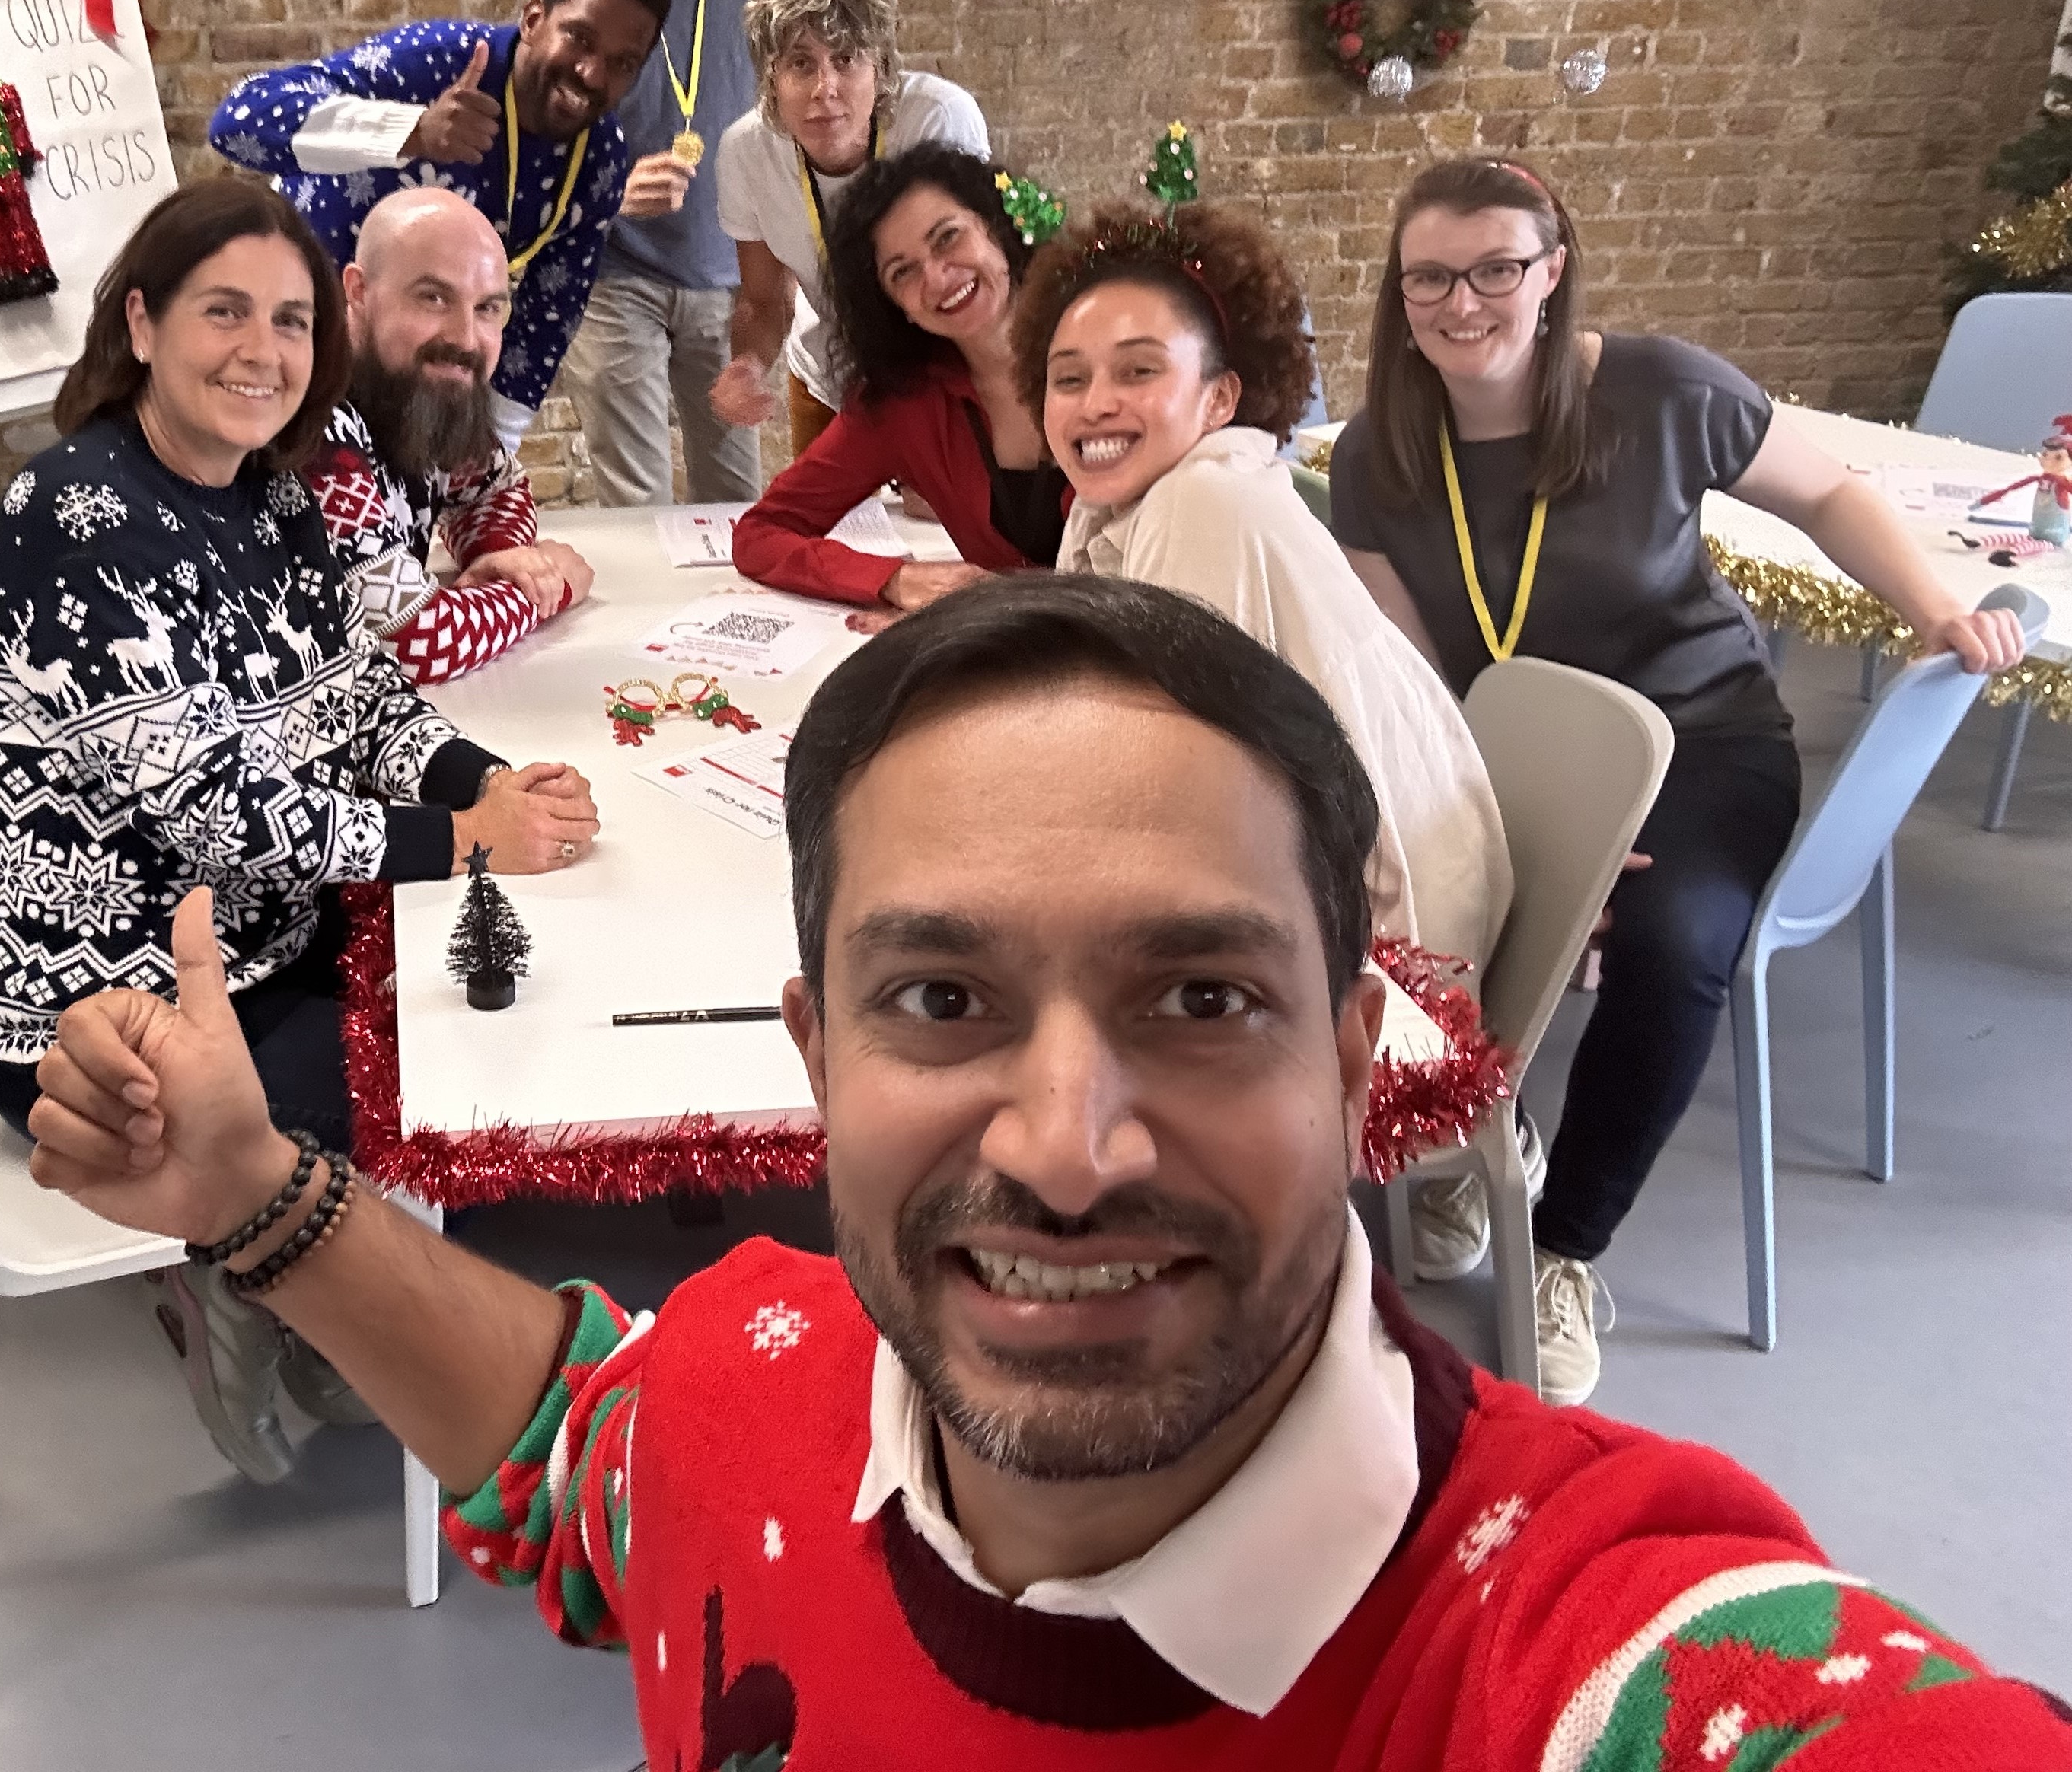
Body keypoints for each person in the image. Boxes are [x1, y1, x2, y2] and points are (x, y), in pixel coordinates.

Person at [22, 575, 2070, 1770]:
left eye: (1196, 997)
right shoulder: (753, 1378)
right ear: (810, 1059)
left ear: (1355, 1056)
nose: (1063, 1150)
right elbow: (573, 1459)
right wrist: (253, 1199)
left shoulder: (1588, 1666)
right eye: (939, 1003)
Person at [1328, 155, 2029, 1403]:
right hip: (1511, 755)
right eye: (1429, 275)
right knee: (1386, 894)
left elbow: (1825, 489)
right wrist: (1530, 842)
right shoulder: (1380, 447)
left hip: (1701, 741)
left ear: (1550, 272)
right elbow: (1411, 682)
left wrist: (1933, 604)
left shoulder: (1657, 390)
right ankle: (1463, 1143)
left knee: (1671, 939)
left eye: (1497, 266)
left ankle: (1564, 1246)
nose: (1461, 299)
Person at [0, 177, 601, 1484]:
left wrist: (490, 778)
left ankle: (295, 1281)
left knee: (478, 1013)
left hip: (254, 950)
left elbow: (360, 696)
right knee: (451, 1081)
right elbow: (222, 815)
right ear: (141, 321)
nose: (263, 350)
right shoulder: (74, 526)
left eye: (291, 320)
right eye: (224, 312)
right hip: (95, 1017)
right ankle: (247, 1288)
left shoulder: (269, 492)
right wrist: (468, 842)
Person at [1017, 201, 1509, 977]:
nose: (1095, 401)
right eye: (1067, 378)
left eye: (1139, 370)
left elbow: (1175, 791)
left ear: (1218, 399)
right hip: (1296, 860)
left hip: (1378, 941)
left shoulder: (1206, 500)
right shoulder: (1108, 502)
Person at [205, 0, 670, 448]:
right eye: (579, 38)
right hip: (288, 347)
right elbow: (238, 120)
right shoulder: (438, 61)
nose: (591, 73)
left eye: (623, 64)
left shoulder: (598, 158)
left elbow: (544, 324)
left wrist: (486, 463)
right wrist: (411, 131)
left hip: (408, 384)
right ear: (535, 20)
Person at [550, 0, 809, 505]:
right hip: (613, 275)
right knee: (637, 511)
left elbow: (812, 104)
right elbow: (534, 147)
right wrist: (609, 188)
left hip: (735, 278)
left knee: (733, 509)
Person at [730, 142, 1064, 614]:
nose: (937, 277)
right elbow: (760, 535)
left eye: (948, 238)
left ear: (996, 226)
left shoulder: (1111, 338)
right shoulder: (902, 406)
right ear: (894, 308)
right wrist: (892, 579)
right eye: (902, 272)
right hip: (1018, 663)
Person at [307, 188, 595, 685]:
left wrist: (497, 556)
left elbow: (497, 485)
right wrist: (546, 586)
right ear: (357, 291)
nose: (465, 337)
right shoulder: (315, 419)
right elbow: (410, 644)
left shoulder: (417, 392)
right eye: (434, 298)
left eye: (487, 309)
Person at [708, 0, 990, 454]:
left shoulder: (937, 121)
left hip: (939, 374)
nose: (825, 89)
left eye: (846, 59)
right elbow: (763, 300)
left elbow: (977, 281)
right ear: (771, 78)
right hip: (827, 382)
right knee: (818, 528)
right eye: (800, 63)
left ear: (881, 69)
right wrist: (747, 365)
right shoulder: (746, 151)